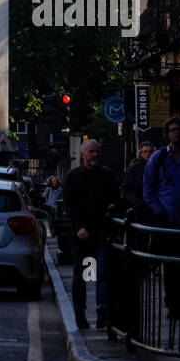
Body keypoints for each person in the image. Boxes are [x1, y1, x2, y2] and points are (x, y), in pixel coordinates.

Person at [143, 116, 180, 320]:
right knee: (171, 266)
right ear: (167, 134)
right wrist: (159, 211)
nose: (177, 132)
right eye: (173, 129)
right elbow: (148, 189)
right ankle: (174, 305)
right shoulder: (159, 158)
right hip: (167, 220)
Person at [62, 139, 121, 330]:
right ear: (82, 155)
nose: (95, 155)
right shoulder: (73, 177)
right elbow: (69, 206)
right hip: (80, 236)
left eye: (97, 151)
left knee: (102, 273)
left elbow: (115, 202)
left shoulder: (107, 176)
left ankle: (102, 311)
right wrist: (78, 227)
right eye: (91, 152)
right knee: (82, 275)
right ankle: (80, 313)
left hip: (101, 233)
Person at [122, 142, 156, 218]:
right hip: (140, 208)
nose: (148, 154)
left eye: (150, 151)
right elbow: (126, 188)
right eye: (145, 151)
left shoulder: (158, 166)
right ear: (141, 154)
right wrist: (136, 202)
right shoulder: (134, 168)